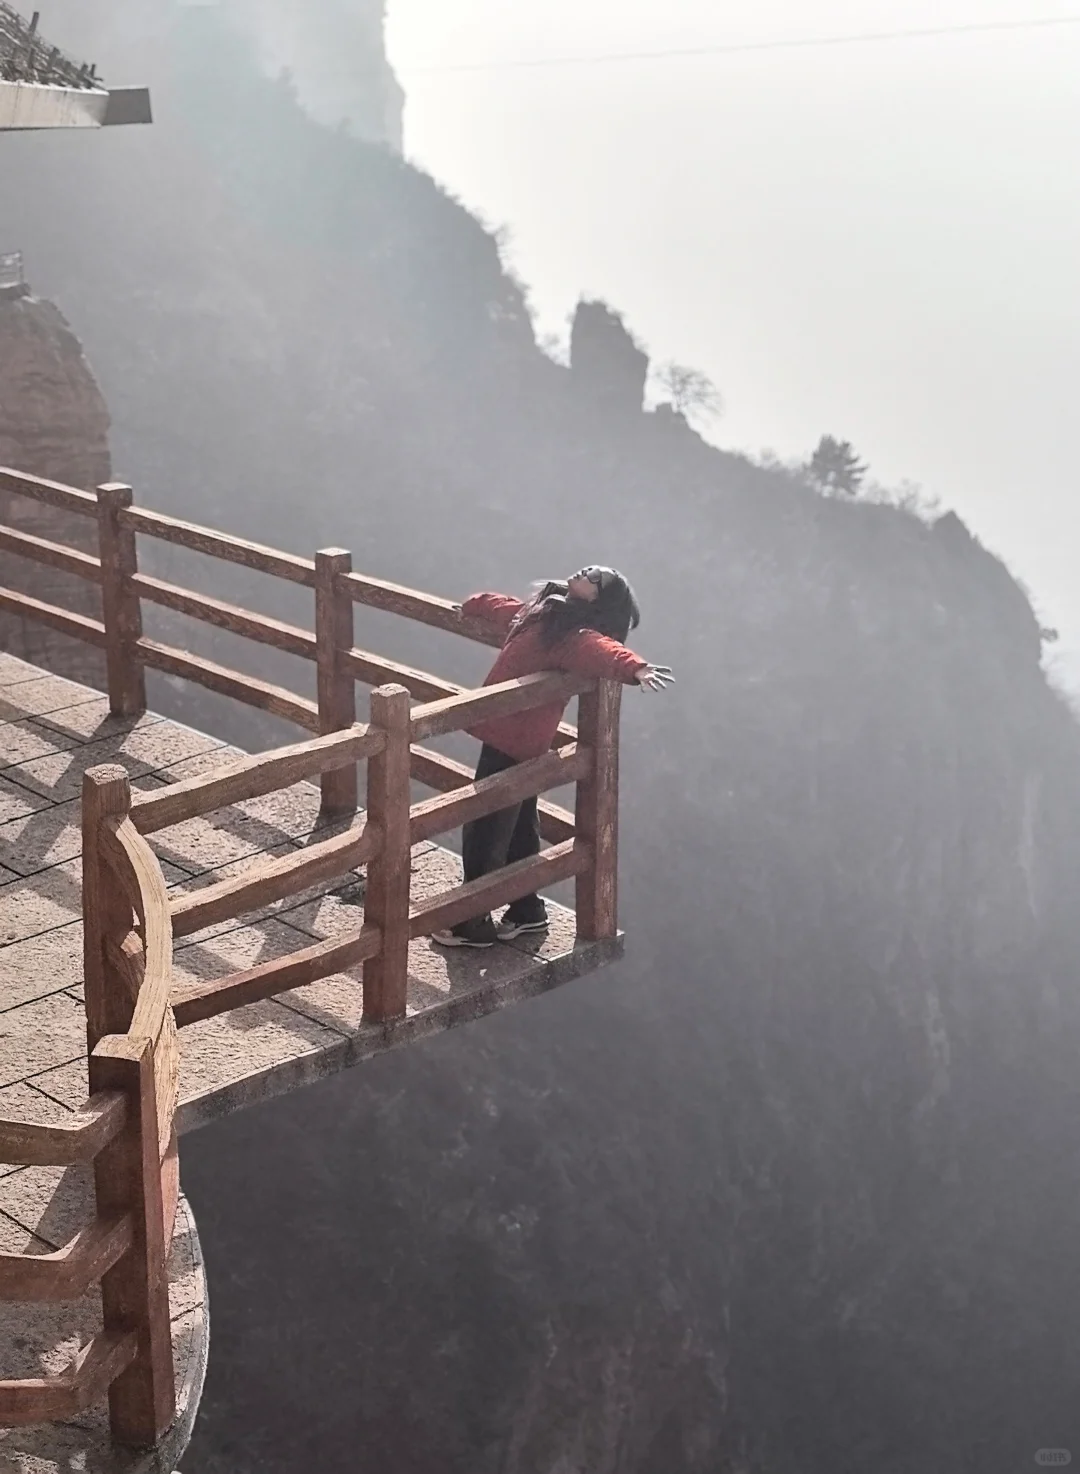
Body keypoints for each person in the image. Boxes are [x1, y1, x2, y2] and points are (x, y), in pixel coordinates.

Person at [432, 566, 674, 949]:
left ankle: (470, 923)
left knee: (485, 826)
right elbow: (507, 610)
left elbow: (602, 650)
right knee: (518, 827)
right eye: (590, 569)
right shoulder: (548, 612)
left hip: (513, 739)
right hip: (514, 736)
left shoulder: (572, 634)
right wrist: (475, 604)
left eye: (596, 579)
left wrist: (636, 668)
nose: (587, 572)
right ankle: (527, 910)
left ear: (599, 600)